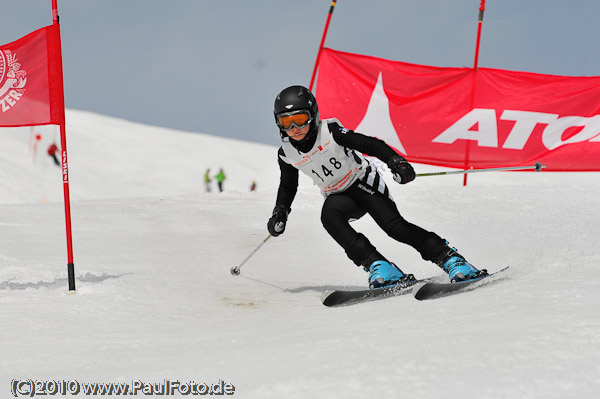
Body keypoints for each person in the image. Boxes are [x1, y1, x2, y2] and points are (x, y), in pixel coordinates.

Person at [267, 85, 487, 289]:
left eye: (300, 119)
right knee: (329, 216)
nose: (294, 128)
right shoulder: (286, 153)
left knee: (395, 228)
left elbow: (370, 144)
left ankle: (451, 259)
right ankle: (380, 266)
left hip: (364, 183)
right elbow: (288, 185)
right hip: (339, 196)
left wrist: (395, 161)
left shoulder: (330, 132)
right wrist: (281, 212)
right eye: (286, 122)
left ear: (313, 115)